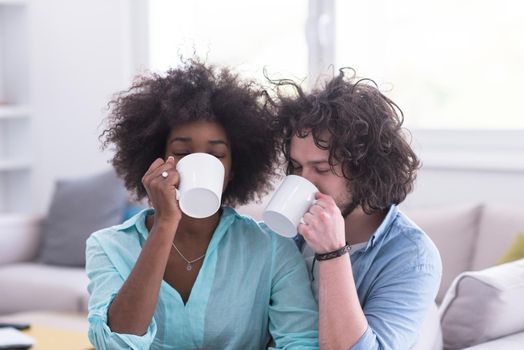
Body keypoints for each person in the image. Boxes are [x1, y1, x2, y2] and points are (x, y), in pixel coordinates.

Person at [86, 59, 319, 350]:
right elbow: (116, 342)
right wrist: (165, 224)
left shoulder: (271, 248)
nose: (201, 163)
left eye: (217, 155)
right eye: (182, 152)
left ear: (233, 169)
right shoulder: (108, 246)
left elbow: (301, 343)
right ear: (156, 163)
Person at [270, 69, 442, 349]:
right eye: (297, 167)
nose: (304, 182)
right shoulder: (284, 235)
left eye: (321, 168)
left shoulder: (412, 257)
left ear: (365, 169)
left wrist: (333, 253)